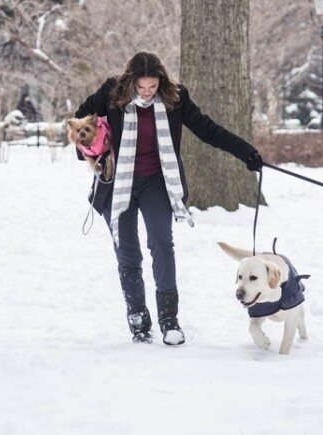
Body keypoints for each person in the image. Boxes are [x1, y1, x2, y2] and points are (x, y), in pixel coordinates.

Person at [74, 51, 263, 345]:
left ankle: (169, 319)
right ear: (131, 82)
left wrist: (245, 152)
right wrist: (87, 150)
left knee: (161, 242)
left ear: (161, 81)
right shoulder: (112, 93)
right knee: (127, 250)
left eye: (152, 87)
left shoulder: (175, 98)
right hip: (118, 182)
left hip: (157, 182)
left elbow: (207, 129)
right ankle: (138, 318)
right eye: (141, 87)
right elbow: (79, 119)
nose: (147, 92)